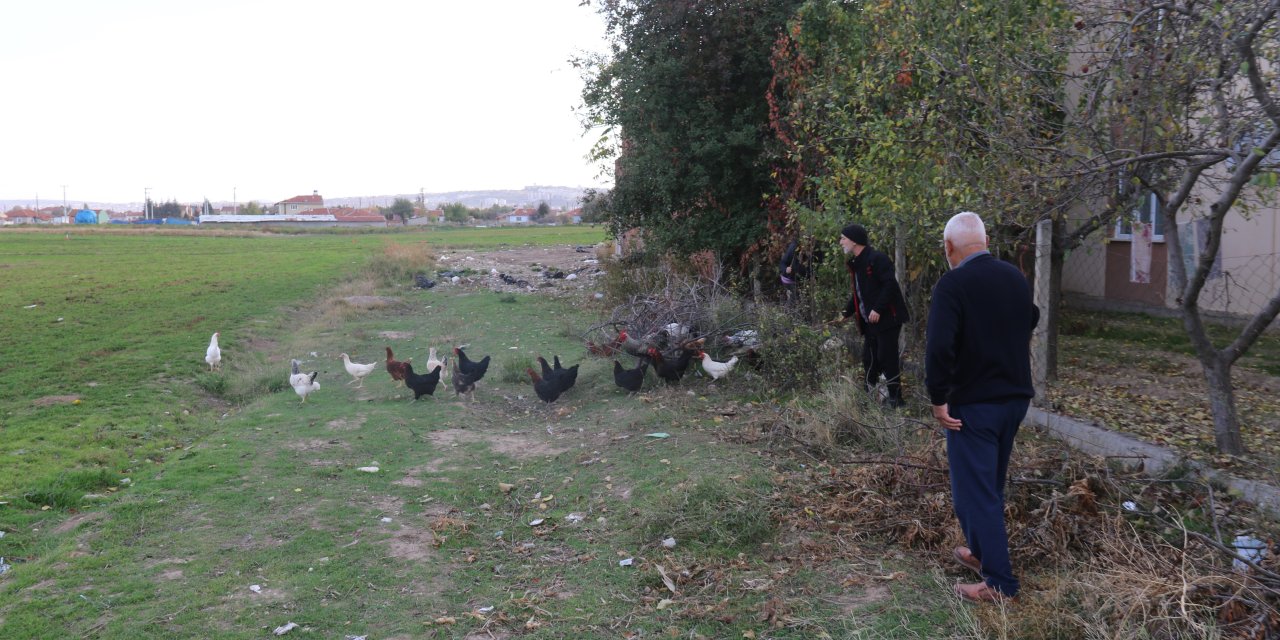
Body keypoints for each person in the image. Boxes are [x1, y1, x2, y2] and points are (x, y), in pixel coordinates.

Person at [925, 211, 1039, 604]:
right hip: (1015, 401)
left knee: (977, 495)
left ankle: (1000, 584)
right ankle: (980, 554)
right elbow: (1032, 317)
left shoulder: (952, 285)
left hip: (974, 405)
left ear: (949, 247)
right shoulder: (1014, 278)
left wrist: (938, 399)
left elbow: (939, 347)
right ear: (986, 242)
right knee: (986, 486)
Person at [835, 223, 908, 407]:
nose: (840, 242)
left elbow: (890, 285)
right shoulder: (857, 264)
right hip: (871, 323)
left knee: (887, 357)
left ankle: (895, 400)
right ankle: (870, 397)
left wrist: (877, 309)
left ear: (854, 241)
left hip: (888, 319)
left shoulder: (877, 259)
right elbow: (859, 294)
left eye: (843, 238)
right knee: (869, 358)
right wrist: (845, 312)